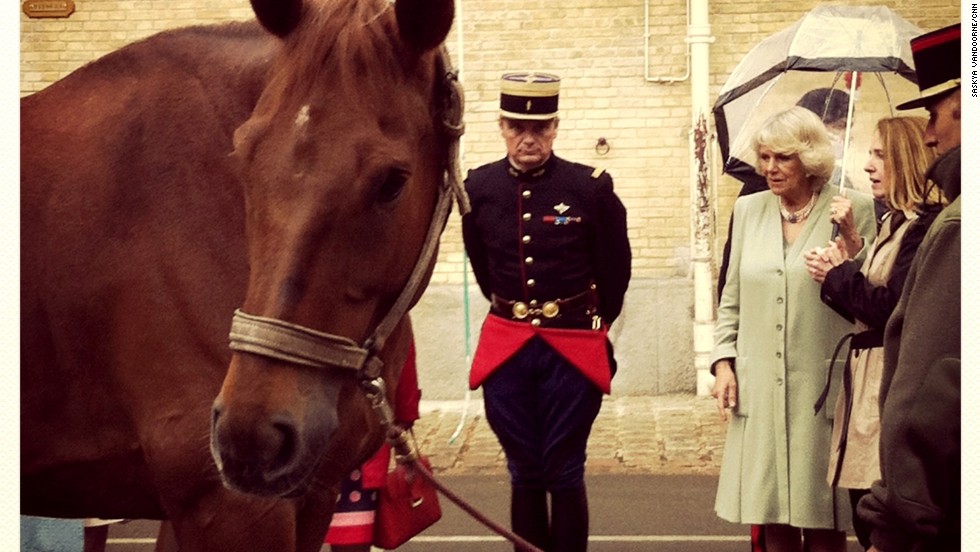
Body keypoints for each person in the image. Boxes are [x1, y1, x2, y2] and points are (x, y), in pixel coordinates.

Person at [461, 71, 631, 552]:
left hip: (572, 346)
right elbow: (483, 264)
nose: (528, 138)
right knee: (524, 470)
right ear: (501, 126)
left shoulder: (589, 188)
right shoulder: (480, 187)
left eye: (540, 127)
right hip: (508, 348)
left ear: (555, 128)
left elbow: (615, 270)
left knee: (564, 467)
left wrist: (597, 325)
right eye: (517, 127)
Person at [710, 106, 877, 552]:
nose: (769, 167)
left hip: (821, 384)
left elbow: (871, 299)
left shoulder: (853, 208)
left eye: (782, 157)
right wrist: (723, 362)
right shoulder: (748, 210)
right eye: (764, 156)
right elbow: (732, 298)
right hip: (760, 381)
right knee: (771, 516)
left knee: (822, 520)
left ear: (809, 159)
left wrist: (854, 242)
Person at [802, 116, 941, 550]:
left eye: (880, 154)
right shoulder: (895, 223)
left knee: (879, 509)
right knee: (864, 504)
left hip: (888, 380)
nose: (869, 165)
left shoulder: (923, 228)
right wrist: (842, 260)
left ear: (905, 158)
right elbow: (864, 306)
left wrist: (839, 276)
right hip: (864, 380)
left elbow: (891, 309)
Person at [855, 22, 961, 552]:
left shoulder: (953, 226)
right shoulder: (894, 222)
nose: (928, 135)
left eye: (936, 115)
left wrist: (895, 521)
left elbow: (933, 387)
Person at [323, 341, 422, 552]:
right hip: (351, 436)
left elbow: (401, 354)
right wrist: (405, 416)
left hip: (355, 438)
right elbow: (402, 355)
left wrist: (405, 416)